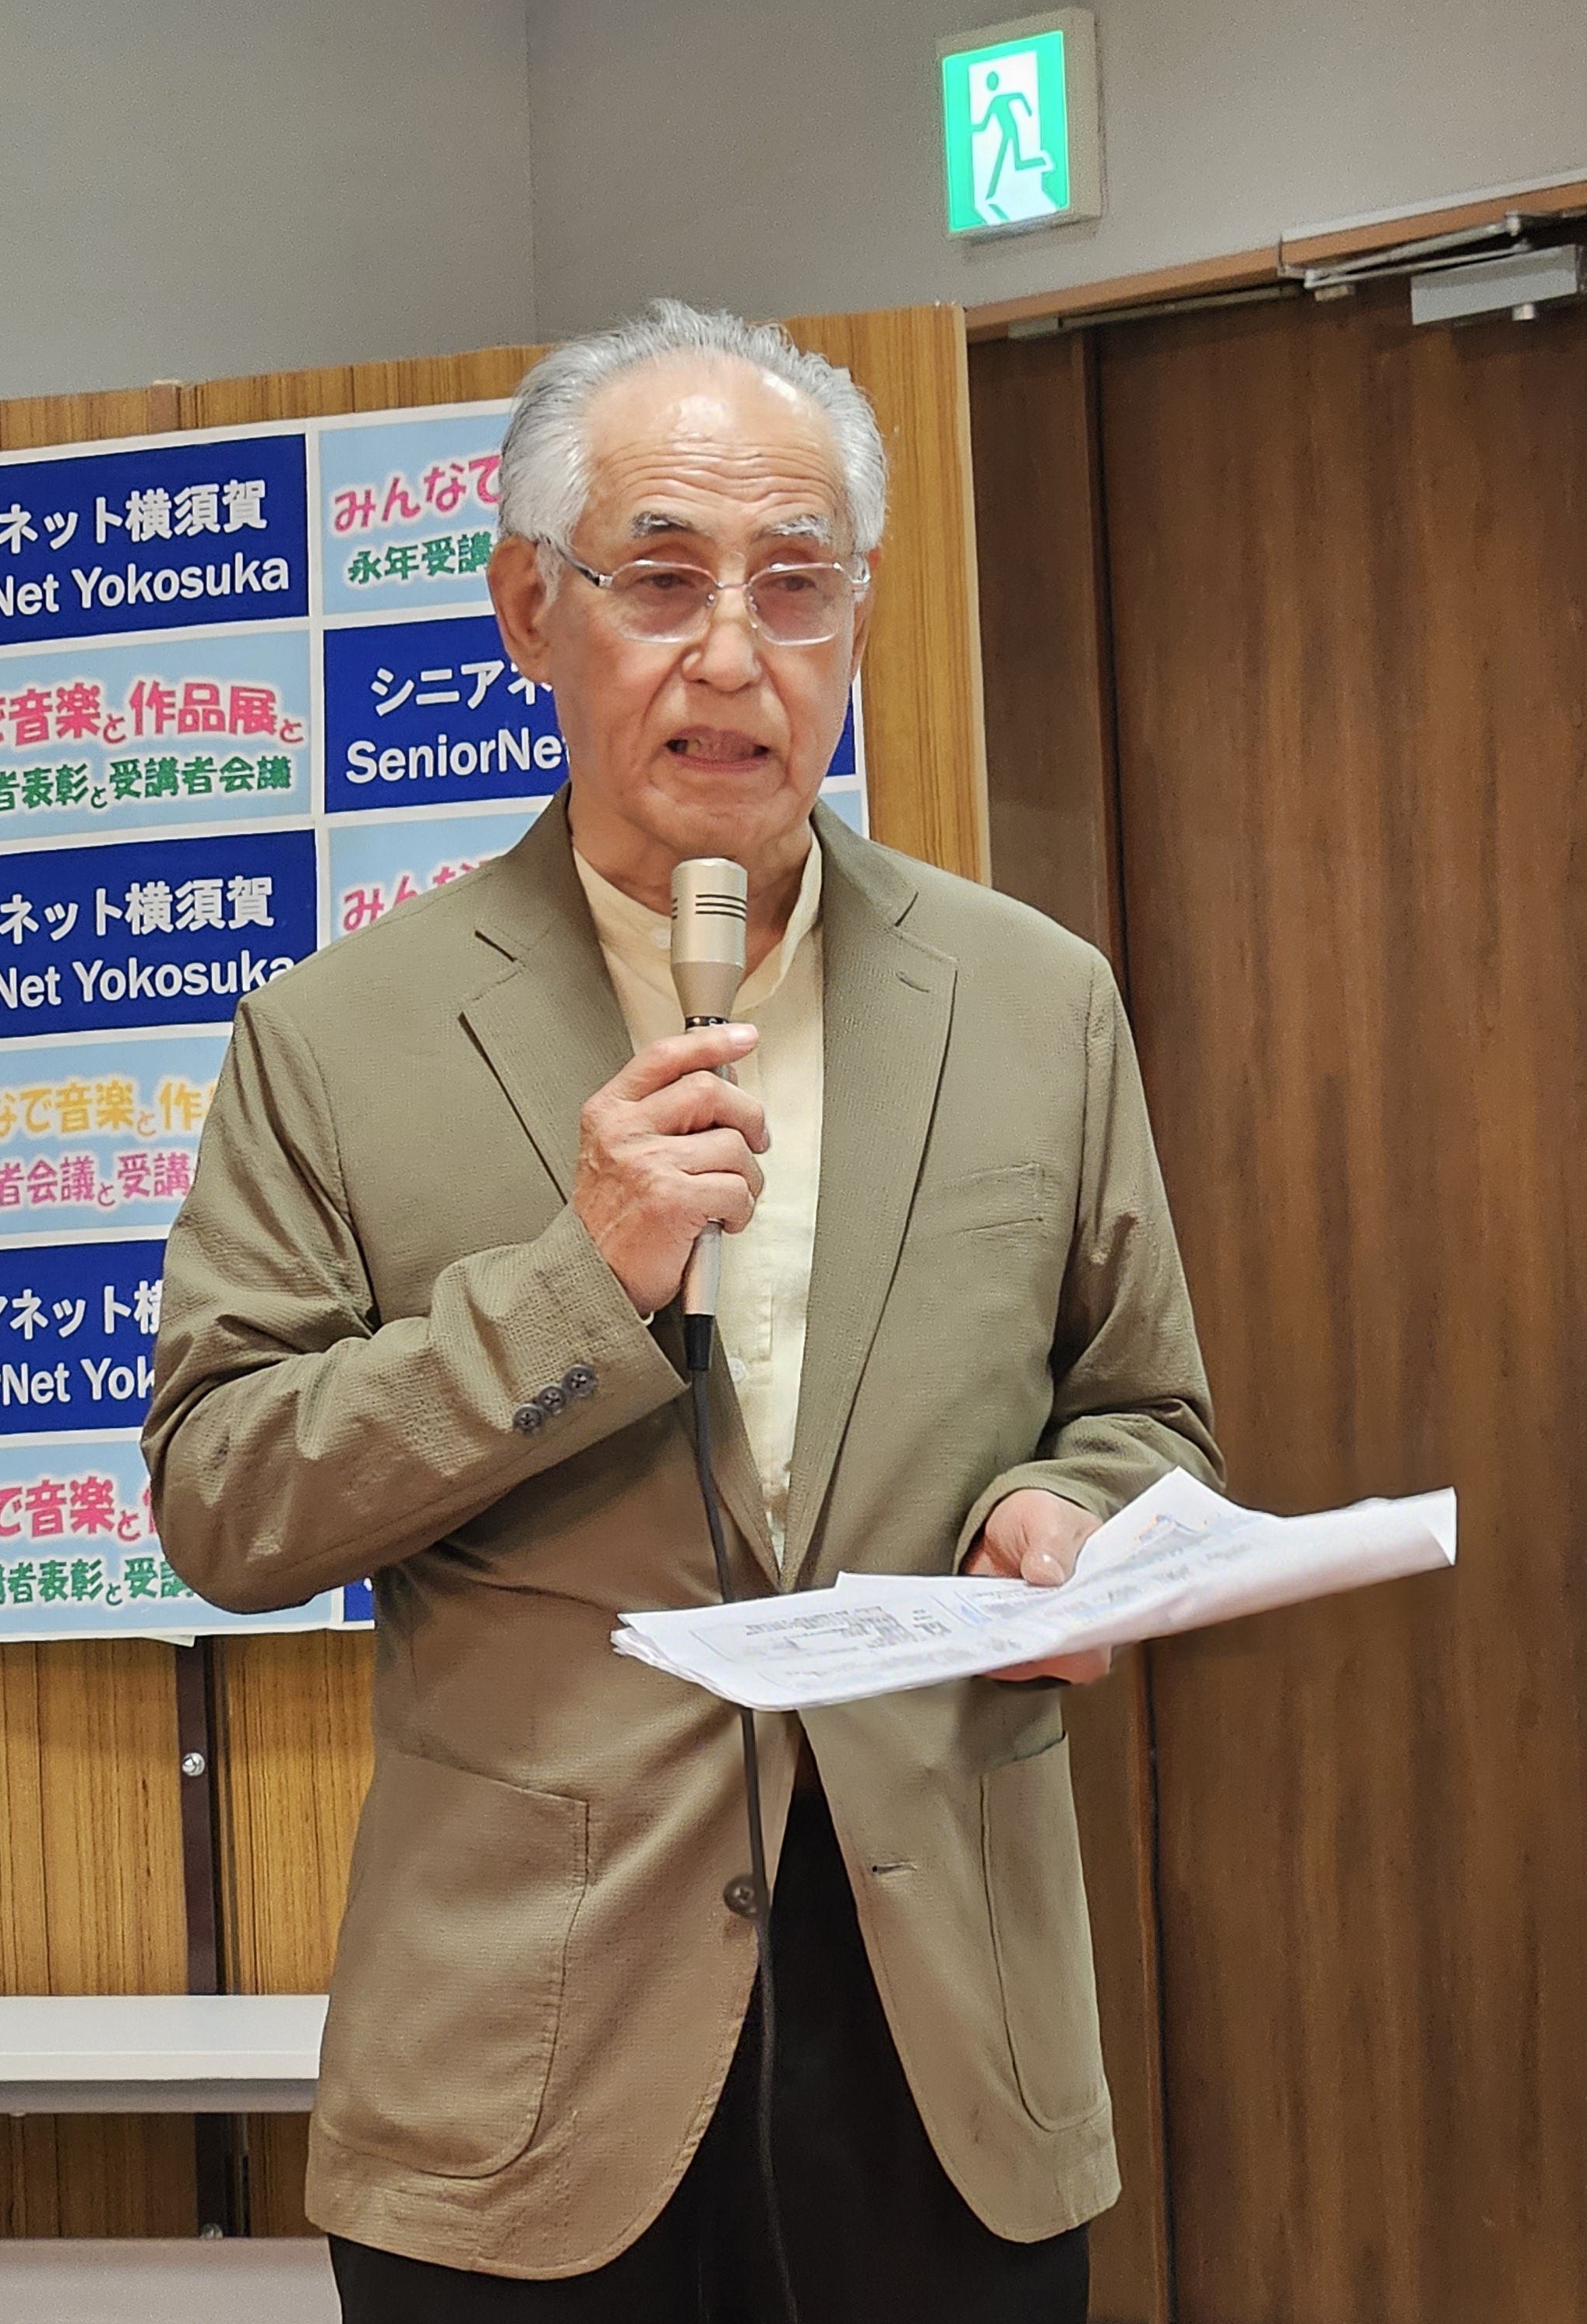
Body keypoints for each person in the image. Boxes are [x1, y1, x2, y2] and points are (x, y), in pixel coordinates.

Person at [144, 299, 1219, 2322]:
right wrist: (581, 1282)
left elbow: (1146, 1410)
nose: (733, 654)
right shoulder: (341, 1038)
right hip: (528, 2074)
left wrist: (1069, 1514)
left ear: (856, 619)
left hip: (945, 2057)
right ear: (528, 613)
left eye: (794, 584)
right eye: (660, 581)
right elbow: (224, 1495)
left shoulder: (1031, 1001)